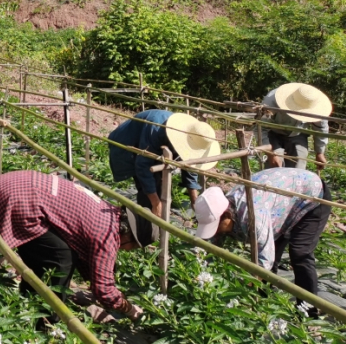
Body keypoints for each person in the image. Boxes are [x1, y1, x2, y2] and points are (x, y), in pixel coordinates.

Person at [0, 170, 153, 322]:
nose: (126, 250)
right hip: (19, 198)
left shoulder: (108, 212)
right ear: (128, 235)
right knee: (60, 259)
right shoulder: (107, 235)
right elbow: (105, 291)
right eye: (133, 247)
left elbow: (85, 256)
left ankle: (29, 302)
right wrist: (131, 310)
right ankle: (44, 321)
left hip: (14, 183)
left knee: (50, 252)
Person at [194, 168, 331, 308]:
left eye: (216, 226)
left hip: (311, 195)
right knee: (274, 248)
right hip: (282, 200)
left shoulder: (254, 217)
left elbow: (265, 260)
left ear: (228, 216)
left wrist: (245, 286)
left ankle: (308, 311)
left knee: (300, 252)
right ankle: (264, 303)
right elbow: (210, 248)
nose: (215, 230)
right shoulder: (222, 207)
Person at [108, 110, 220, 217]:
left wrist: (194, 201)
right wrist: (156, 204)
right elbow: (143, 166)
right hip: (127, 144)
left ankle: (154, 222)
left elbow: (189, 164)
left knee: (159, 186)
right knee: (147, 192)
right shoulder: (157, 129)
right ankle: (145, 226)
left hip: (150, 143)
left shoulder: (191, 135)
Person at [258, 83, 331, 171]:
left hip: (298, 133)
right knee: (275, 165)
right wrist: (270, 153)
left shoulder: (317, 106)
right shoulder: (272, 101)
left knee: (299, 164)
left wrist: (320, 152)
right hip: (273, 133)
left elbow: (320, 129)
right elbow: (261, 128)